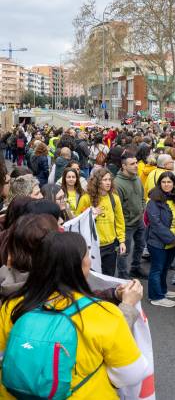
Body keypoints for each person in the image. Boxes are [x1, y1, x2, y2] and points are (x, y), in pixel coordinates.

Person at [0, 231, 150, 398]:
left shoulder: (12, 306)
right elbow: (131, 374)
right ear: (81, 265)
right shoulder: (104, 313)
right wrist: (127, 306)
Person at [144, 172, 175, 308]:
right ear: (159, 184)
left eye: (169, 182)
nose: (167, 185)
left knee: (165, 268)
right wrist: (173, 239)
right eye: (164, 182)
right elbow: (156, 224)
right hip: (158, 242)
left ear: (174, 184)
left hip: (174, 241)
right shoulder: (153, 201)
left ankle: (163, 290)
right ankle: (156, 296)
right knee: (157, 269)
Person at [78, 167, 125, 276]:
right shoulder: (86, 198)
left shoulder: (115, 198)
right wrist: (91, 215)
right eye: (104, 180)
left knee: (109, 277)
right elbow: (78, 220)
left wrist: (122, 241)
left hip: (110, 246)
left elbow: (120, 221)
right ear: (97, 182)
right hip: (92, 246)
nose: (108, 183)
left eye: (109, 180)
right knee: (92, 278)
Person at [113, 153, 146, 279]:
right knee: (123, 252)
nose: (136, 165)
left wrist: (142, 208)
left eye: (136, 162)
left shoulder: (137, 177)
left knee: (140, 245)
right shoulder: (117, 184)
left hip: (139, 221)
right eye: (132, 164)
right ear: (124, 166)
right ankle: (122, 276)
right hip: (126, 224)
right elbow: (117, 208)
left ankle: (135, 268)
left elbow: (142, 196)